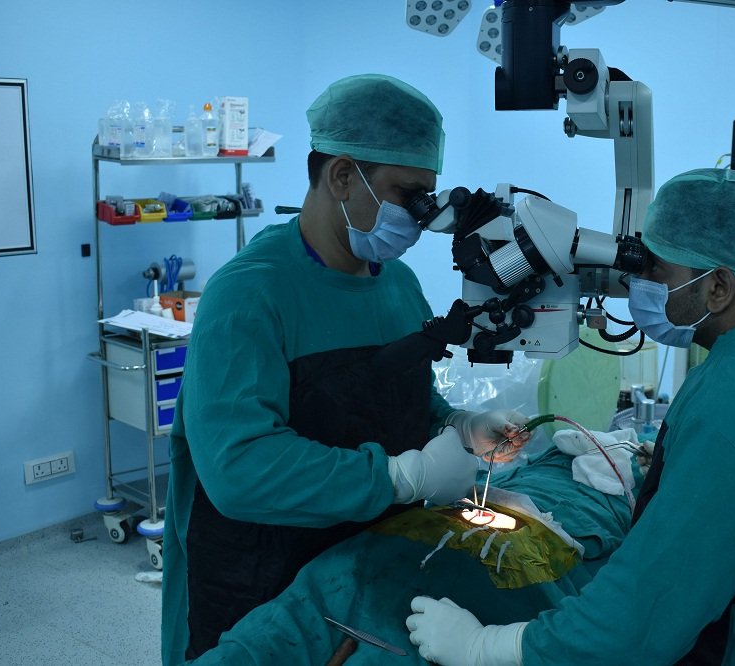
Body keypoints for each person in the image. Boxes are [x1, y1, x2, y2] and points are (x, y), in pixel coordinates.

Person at [406, 168, 735, 665]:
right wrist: (688, 466)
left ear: (718, 286)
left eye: (659, 273)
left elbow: (636, 621)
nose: (642, 285)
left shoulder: (732, 401)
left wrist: (485, 648)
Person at [161, 73, 529, 665]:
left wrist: (458, 426)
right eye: (407, 194)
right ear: (340, 175)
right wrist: (401, 478)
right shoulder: (249, 294)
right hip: (261, 571)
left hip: (365, 558)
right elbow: (240, 469)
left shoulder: (398, 285)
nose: (420, 215)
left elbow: (399, 401)